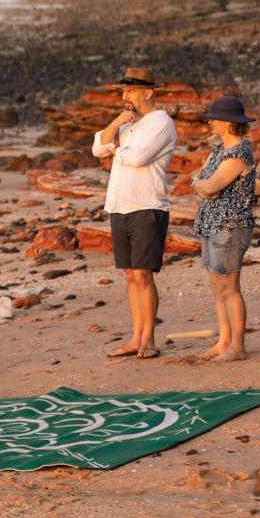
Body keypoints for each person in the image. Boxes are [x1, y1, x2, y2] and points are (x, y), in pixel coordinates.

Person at [92, 67, 177, 360]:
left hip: (147, 205)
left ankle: (149, 339)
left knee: (142, 274)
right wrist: (116, 124)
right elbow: (97, 148)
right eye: (123, 91)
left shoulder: (161, 123)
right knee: (129, 274)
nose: (125, 95)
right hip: (119, 205)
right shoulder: (127, 124)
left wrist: (116, 151)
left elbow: (139, 157)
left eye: (130, 91)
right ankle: (135, 337)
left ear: (148, 92)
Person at [191, 96, 257, 362]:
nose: (212, 122)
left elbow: (209, 185)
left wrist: (203, 184)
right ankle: (224, 340)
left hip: (230, 227)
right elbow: (198, 178)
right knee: (217, 285)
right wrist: (201, 183)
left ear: (228, 123)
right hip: (211, 223)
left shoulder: (240, 153)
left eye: (216, 118)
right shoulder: (219, 150)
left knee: (230, 286)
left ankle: (237, 346)